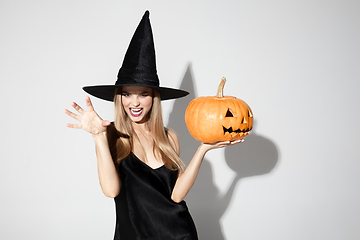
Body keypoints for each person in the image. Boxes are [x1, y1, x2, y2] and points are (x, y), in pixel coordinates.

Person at [64, 11, 242, 240]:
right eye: (127, 94)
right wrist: (98, 136)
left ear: (154, 98)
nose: (134, 103)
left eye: (143, 94)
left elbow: (176, 196)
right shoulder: (111, 135)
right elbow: (111, 191)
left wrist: (203, 149)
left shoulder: (170, 138)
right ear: (119, 98)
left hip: (180, 234)